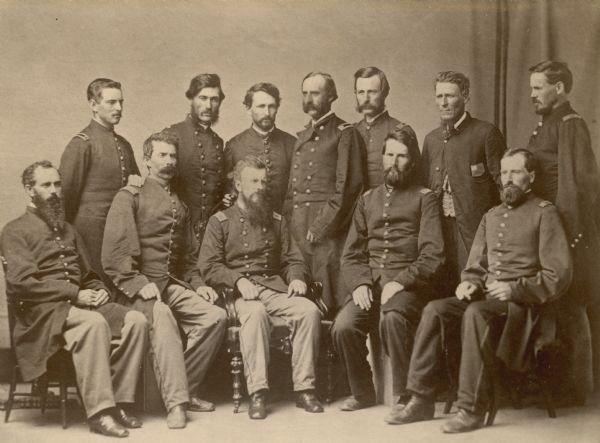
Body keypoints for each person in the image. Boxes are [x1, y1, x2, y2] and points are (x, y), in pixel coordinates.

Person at [388, 149, 572, 433]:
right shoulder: (492, 215)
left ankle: (471, 408)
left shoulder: (544, 213)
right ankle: (421, 398)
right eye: (504, 172)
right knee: (436, 309)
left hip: (524, 309)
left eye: (516, 172)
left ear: (531, 177)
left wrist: (515, 289)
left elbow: (558, 274)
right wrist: (469, 282)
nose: (507, 179)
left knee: (475, 313)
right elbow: (476, 265)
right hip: (488, 301)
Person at [1, 161, 148, 437]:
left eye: (57, 184)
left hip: (80, 306)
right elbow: (21, 283)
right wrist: (74, 293)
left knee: (136, 320)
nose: (54, 191)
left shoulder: (68, 229)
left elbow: (88, 274)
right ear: (29, 190)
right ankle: (99, 412)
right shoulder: (14, 230)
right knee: (93, 323)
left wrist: (97, 288)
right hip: (42, 316)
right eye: (46, 185)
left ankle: (120, 401)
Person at [102, 132, 227, 429]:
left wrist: (199, 285)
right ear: (147, 160)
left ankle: (186, 387)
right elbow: (114, 253)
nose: (169, 161)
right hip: (135, 290)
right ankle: (177, 404)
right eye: (162, 155)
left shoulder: (178, 204)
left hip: (168, 284)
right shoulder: (129, 196)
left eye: (173, 156)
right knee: (163, 316)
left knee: (215, 316)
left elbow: (186, 259)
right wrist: (136, 283)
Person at [199, 156, 323, 420]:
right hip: (240, 293)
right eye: (253, 181)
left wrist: (297, 277)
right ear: (238, 184)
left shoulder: (277, 220)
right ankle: (258, 393)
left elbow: (293, 258)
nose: (260, 187)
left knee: (309, 311)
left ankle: (305, 389)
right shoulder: (219, 221)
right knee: (255, 315)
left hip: (274, 288)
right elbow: (208, 265)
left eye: (263, 181)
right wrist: (237, 280)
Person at [331, 129, 444, 411]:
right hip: (370, 283)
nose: (394, 161)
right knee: (343, 327)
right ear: (381, 158)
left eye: (402, 155)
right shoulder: (368, 199)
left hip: (410, 286)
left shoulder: (425, 198)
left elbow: (433, 254)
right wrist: (359, 284)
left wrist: (402, 281)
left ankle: (408, 395)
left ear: (413, 161)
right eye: (390, 154)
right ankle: (363, 392)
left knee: (392, 319)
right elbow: (351, 254)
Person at [526, 60, 600, 403]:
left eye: (538, 87)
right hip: (550, 231)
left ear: (559, 88)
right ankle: (559, 387)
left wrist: (566, 240)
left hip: (567, 232)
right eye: (531, 87)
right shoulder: (546, 125)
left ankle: (578, 389)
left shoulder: (569, 124)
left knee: (572, 307)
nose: (532, 94)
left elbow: (575, 188)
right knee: (560, 308)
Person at [421, 71, 506, 294]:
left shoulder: (486, 133)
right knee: (439, 290)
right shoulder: (431, 140)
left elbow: (503, 185)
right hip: (439, 231)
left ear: (465, 96)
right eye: (439, 97)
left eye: (450, 96)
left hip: (472, 232)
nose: (444, 102)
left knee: (471, 290)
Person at [285, 71, 364, 310]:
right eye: (305, 93)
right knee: (301, 297)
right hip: (297, 228)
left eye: (315, 93)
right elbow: (292, 190)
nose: (309, 98)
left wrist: (321, 226)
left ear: (332, 96)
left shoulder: (344, 133)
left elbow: (349, 188)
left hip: (328, 232)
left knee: (328, 297)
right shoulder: (302, 136)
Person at [59, 78, 140, 282]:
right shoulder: (81, 144)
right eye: (111, 102)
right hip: (90, 234)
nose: (119, 108)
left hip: (120, 230)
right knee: (98, 285)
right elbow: (65, 198)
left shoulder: (124, 145)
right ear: (93, 105)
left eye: (121, 102)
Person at [166, 73, 227, 244]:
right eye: (203, 98)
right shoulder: (173, 134)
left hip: (211, 230)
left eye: (214, 99)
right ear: (191, 99)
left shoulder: (217, 142)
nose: (208, 105)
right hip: (179, 227)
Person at [224, 82, 295, 212]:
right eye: (261, 106)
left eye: (272, 106)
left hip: (283, 223)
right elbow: (226, 188)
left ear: (277, 108)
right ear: (248, 108)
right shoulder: (234, 145)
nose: (267, 113)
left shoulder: (292, 144)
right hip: (246, 224)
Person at [353, 66, 418, 189]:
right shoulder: (351, 131)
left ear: (384, 93)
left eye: (372, 92)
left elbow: (416, 180)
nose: (366, 98)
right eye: (361, 92)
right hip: (356, 206)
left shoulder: (401, 130)